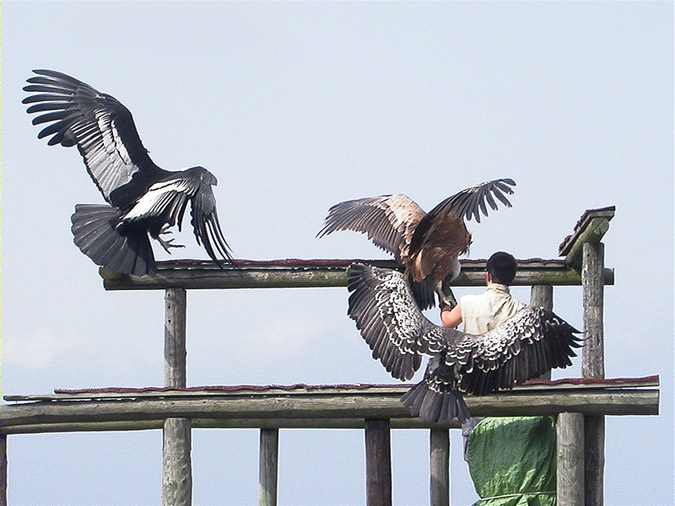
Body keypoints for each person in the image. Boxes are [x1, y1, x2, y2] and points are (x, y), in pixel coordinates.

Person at [439, 251, 523, 332]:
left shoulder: (467, 302)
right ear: (512, 278)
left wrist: (445, 305)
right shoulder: (520, 310)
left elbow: (447, 323)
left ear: (488, 276)